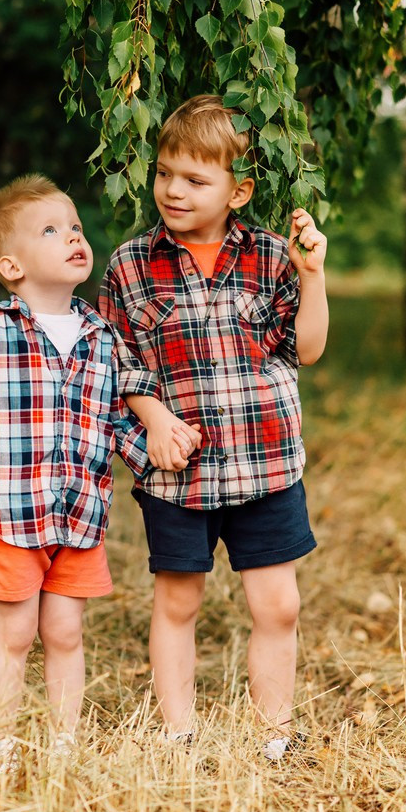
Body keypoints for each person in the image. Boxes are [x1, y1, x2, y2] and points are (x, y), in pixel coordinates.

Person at [0, 174, 200, 774]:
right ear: (12, 265)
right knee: (14, 635)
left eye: (77, 227)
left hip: (80, 516)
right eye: (52, 230)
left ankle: (65, 743)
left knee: (63, 633)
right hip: (14, 516)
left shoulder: (102, 335)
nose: (74, 238)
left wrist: (157, 448)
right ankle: (0, 743)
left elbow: (113, 419)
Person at [98, 96, 328, 760]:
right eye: (164, 172)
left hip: (265, 464)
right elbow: (117, 359)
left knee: (277, 604)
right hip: (177, 472)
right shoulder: (131, 265)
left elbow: (305, 349)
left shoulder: (268, 257)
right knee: (177, 603)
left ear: (238, 190)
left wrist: (312, 277)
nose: (173, 189)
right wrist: (154, 416)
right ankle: (176, 732)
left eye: (195, 179)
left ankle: (275, 732)